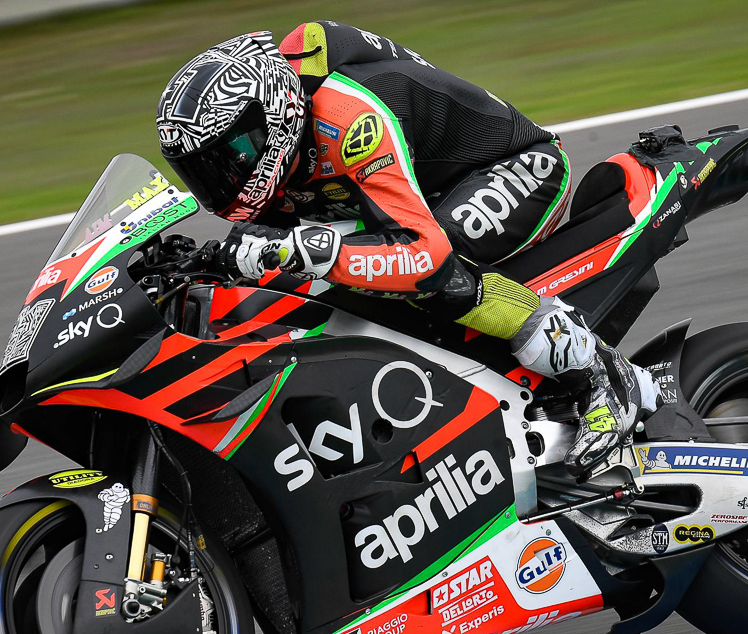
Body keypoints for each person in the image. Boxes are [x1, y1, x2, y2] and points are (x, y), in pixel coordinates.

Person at [155, 22, 658, 477]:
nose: (223, 179)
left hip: (516, 167)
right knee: (304, 280)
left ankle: (599, 374)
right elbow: (267, 252)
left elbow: (423, 256)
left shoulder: (347, 119)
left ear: (276, 115)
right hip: (418, 192)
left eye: (232, 155)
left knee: (417, 276)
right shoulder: (278, 153)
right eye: (202, 171)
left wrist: (310, 250)